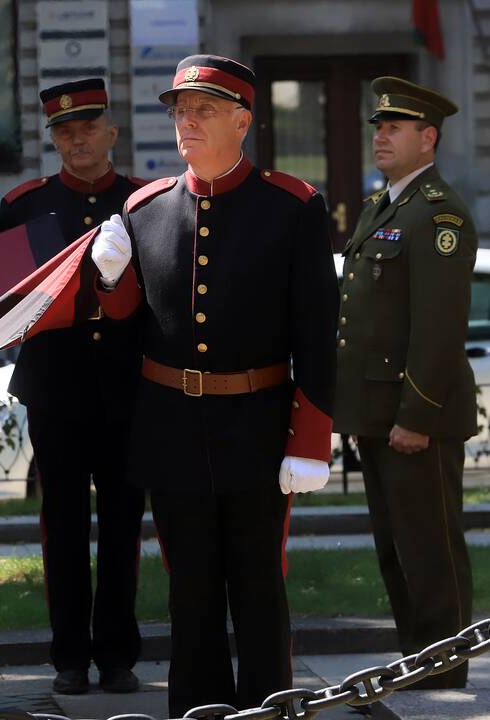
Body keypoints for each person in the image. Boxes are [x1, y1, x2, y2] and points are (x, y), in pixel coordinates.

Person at [91, 56, 338, 715]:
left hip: (258, 429)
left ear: (243, 120)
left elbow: (316, 330)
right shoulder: (144, 211)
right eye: (179, 109)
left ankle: (267, 709)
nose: (186, 121)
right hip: (172, 433)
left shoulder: (292, 208)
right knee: (189, 596)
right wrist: (111, 282)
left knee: (259, 591)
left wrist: (311, 437)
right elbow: (128, 327)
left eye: (203, 109)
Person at [0, 78, 146, 695]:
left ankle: (116, 655)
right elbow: (7, 297)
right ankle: (68, 656)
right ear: (52, 138)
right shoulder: (25, 204)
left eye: (88, 128)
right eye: (64, 131)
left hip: (126, 385)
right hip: (55, 386)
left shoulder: (143, 201)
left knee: (121, 522)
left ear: (111, 133)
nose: (76, 141)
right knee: (61, 522)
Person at [334, 77, 476, 689]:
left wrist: (415, 416)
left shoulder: (438, 214)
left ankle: (442, 675)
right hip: (376, 414)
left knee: (429, 552)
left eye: (394, 128)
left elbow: (438, 327)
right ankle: (416, 666)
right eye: (378, 127)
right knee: (396, 553)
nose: (381, 137)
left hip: (413, 419)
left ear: (429, 138)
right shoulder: (382, 205)